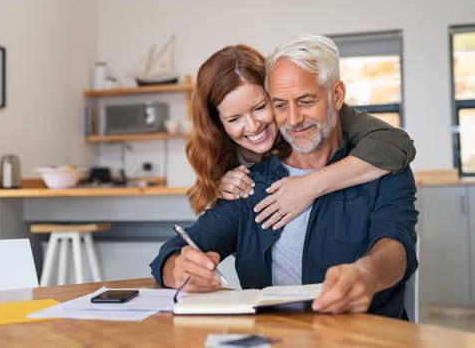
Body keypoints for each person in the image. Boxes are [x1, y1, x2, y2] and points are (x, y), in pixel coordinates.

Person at [150, 35, 418, 319]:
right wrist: (176, 267)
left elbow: (396, 244)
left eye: (305, 101)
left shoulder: (380, 166)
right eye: (279, 105)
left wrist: (368, 272)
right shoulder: (249, 182)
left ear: (337, 96)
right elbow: (177, 248)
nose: (293, 119)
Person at [186, 45, 415, 231]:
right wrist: (218, 185)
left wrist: (308, 186)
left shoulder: (323, 119)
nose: (253, 125)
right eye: (234, 119)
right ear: (218, 122)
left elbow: (397, 144)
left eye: (259, 107)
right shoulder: (216, 147)